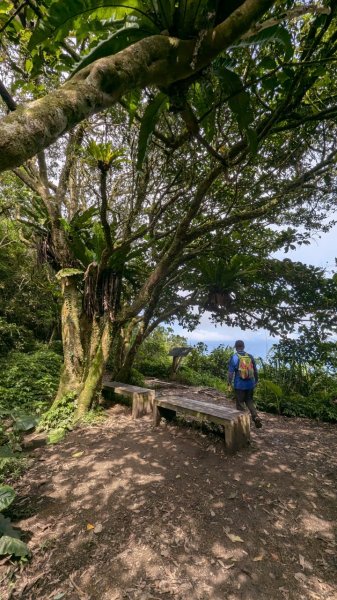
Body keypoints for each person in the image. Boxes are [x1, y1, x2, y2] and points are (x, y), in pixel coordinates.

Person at [228, 340, 262, 428]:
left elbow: (231, 373)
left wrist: (229, 382)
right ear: (243, 346)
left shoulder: (234, 357)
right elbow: (255, 370)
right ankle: (255, 416)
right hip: (250, 384)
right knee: (249, 400)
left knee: (240, 403)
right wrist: (256, 380)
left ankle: (243, 425)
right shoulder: (250, 356)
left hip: (239, 385)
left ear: (235, 347)